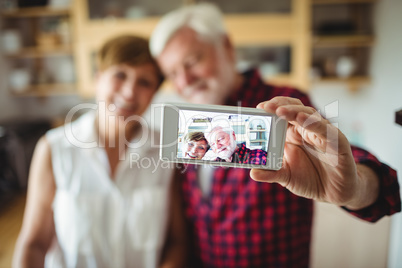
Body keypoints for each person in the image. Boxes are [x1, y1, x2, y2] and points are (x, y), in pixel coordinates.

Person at [149, 3, 401, 267]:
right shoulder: (189, 128)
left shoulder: (283, 105)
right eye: (173, 73)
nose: (184, 81)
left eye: (192, 62)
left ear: (226, 46)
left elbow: (353, 168)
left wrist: (357, 188)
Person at [13, 35, 187, 268]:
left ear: (154, 93)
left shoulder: (167, 150)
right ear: (98, 78)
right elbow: (34, 243)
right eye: (120, 75)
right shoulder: (54, 148)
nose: (129, 92)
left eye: (144, 82)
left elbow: (177, 242)